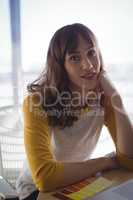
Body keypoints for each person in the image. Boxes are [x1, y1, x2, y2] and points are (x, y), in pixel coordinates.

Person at [16, 23, 133, 199]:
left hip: (77, 181)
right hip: (36, 192)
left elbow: (129, 160)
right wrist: (105, 162)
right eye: (75, 58)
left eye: (91, 53)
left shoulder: (103, 99)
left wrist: (117, 100)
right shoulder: (36, 103)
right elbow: (45, 178)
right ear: (60, 66)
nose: (88, 65)